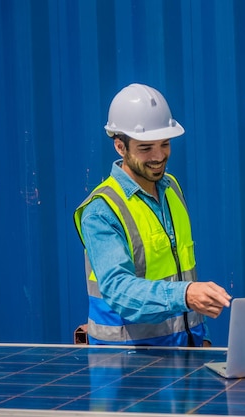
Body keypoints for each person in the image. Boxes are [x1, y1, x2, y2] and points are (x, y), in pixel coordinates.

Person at [74, 83, 231, 346]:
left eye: (165, 144)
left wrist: (198, 338)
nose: (159, 156)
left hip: (183, 355)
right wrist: (187, 295)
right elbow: (119, 290)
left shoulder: (171, 188)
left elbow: (181, 272)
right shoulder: (101, 210)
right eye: (146, 148)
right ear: (120, 147)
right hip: (127, 369)